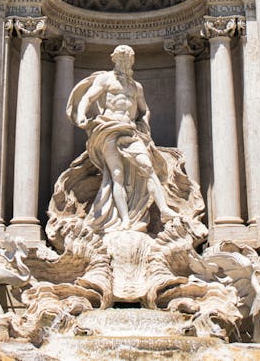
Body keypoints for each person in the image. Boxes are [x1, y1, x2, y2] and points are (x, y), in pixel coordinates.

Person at [67, 45, 179, 231]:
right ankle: (125, 220)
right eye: (122, 59)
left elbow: (144, 110)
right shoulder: (105, 80)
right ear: (114, 60)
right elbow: (88, 98)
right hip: (108, 128)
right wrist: (81, 115)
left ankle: (164, 209)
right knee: (117, 175)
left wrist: (145, 123)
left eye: (128, 60)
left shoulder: (136, 87)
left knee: (148, 168)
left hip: (130, 130)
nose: (126, 63)